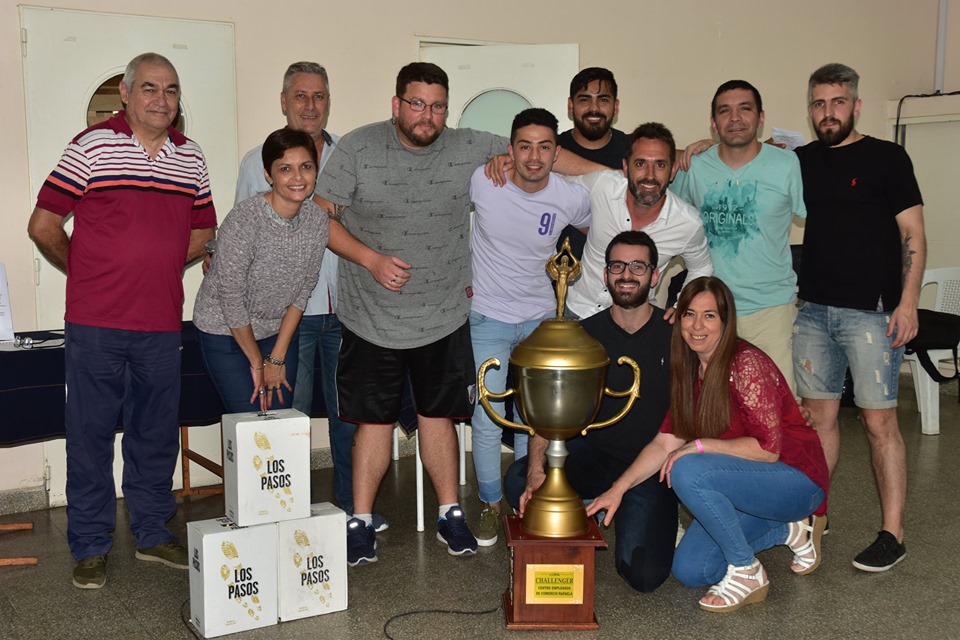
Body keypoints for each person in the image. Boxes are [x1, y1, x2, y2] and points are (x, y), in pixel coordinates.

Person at [26, 53, 217, 589]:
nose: (162, 99)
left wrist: (155, 266)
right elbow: (42, 225)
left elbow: (204, 231)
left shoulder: (191, 157)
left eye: (172, 90)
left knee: (154, 434)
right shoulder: (91, 146)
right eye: (150, 88)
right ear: (126, 95)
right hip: (96, 323)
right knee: (89, 436)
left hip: (160, 323)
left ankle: (154, 534)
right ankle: (89, 544)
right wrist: (87, 272)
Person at [587, 276, 828, 612]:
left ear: (726, 322)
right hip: (747, 484)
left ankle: (747, 571)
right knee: (692, 570)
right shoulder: (689, 370)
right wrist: (618, 489)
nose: (697, 325)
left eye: (710, 315)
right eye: (689, 314)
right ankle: (787, 530)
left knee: (687, 468)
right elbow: (664, 441)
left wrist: (699, 445)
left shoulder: (745, 363)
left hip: (796, 480)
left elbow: (768, 449)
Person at [232, 63, 382, 529]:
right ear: (283, 102)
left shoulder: (350, 157)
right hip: (286, 319)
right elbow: (243, 235)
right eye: (300, 96)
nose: (310, 105)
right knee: (287, 418)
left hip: (348, 311)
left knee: (347, 416)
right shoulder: (256, 161)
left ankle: (350, 510)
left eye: (319, 96)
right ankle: (287, 514)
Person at [793, 63, 926, 572]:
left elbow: (913, 234)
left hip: (872, 315)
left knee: (879, 424)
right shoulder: (801, 160)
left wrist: (907, 302)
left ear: (856, 105)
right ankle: (813, 518)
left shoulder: (888, 158)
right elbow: (749, 157)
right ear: (810, 110)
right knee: (819, 422)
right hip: (814, 312)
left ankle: (893, 532)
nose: (829, 113)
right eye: (819, 104)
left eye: (838, 102)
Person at [505, 231, 678, 592]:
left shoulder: (676, 335)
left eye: (638, 266)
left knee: (642, 576)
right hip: (594, 454)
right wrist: (538, 472)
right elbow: (547, 419)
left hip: (649, 467)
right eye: (617, 265)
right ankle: (585, 502)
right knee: (520, 481)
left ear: (655, 275)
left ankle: (626, 508)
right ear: (604, 274)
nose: (626, 275)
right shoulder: (581, 336)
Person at [468, 107, 591, 546]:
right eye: (524, 146)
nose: (534, 156)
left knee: (531, 418)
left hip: (542, 320)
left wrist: (580, 279)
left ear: (557, 152)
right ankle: (488, 505)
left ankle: (522, 498)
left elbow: (595, 231)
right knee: (488, 416)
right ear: (510, 150)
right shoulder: (484, 181)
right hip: (489, 317)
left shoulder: (571, 197)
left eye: (544, 147)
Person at [672, 80, 806, 392]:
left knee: (774, 409)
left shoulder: (787, 165)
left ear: (760, 118)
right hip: (710, 311)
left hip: (770, 309)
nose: (735, 118)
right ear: (713, 122)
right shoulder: (694, 167)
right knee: (710, 406)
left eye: (744, 109)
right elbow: (666, 215)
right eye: (725, 111)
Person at [194, 128, 327, 413]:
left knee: (281, 417)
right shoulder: (245, 220)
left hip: (276, 332)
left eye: (305, 167)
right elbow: (230, 297)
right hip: (225, 331)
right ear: (269, 175)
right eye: (285, 169)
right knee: (252, 418)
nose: (297, 178)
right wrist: (257, 361)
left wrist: (276, 359)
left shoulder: (317, 219)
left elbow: (303, 291)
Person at [566, 123, 713, 320]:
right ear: (626, 167)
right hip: (578, 312)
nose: (650, 175)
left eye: (660, 165)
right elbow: (555, 189)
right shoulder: (603, 185)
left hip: (634, 323)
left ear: (673, 171)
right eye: (640, 163)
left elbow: (702, 268)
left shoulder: (687, 223)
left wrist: (682, 306)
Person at [555, 67, 627, 259]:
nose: (594, 109)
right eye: (584, 99)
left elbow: (669, 158)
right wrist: (613, 175)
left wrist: (710, 148)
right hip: (554, 279)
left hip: (617, 279)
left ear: (616, 106)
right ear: (571, 106)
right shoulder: (550, 148)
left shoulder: (634, 151)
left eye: (603, 100)